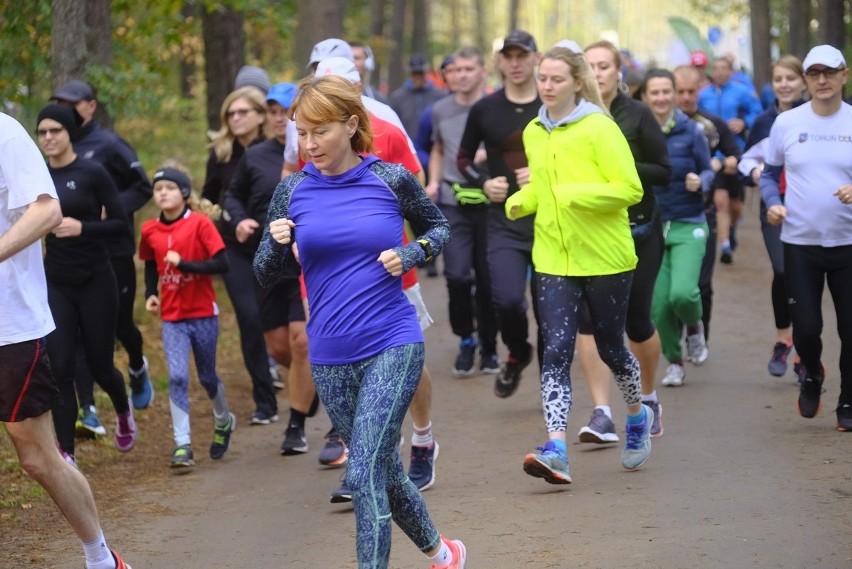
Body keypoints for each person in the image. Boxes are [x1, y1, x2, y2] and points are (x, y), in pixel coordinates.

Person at [254, 75, 464, 568]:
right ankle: (443, 553)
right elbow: (265, 273)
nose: (309, 144)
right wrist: (276, 242)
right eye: (300, 134)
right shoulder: (291, 191)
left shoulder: (391, 179)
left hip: (392, 339)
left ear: (350, 125)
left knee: (365, 467)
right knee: (385, 469)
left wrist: (412, 252)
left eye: (319, 131)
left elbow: (439, 227)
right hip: (328, 353)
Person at [506, 46, 653, 484]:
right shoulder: (534, 131)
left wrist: (576, 195)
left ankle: (637, 415)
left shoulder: (599, 129)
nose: (546, 87)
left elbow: (630, 188)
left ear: (576, 82)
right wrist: (520, 201)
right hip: (553, 257)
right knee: (554, 350)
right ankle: (555, 448)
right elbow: (541, 190)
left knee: (610, 347)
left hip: (606, 256)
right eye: (542, 79)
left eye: (555, 79)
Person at [1, 110, 133, 569]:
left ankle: (100, 555)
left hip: (10, 325)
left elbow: (47, 210)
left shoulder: (5, 133)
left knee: (37, 456)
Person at [306, 58, 441, 496]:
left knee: (408, 363)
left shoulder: (388, 126)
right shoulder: (309, 132)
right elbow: (295, 184)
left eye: (342, 87)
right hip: (331, 273)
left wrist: (407, 251)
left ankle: (421, 439)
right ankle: (367, 457)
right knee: (345, 362)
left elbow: (417, 191)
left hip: (389, 271)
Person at [575, 40, 670, 443]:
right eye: (591, 66)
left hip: (638, 231)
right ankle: (601, 412)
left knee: (635, 321)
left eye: (604, 66)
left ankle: (648, 397)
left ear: (619, 72)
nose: (598, 73)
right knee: (588, 321)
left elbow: (665, 171)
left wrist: (619, 167)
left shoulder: (637, 114)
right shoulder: (571, 118)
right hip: (590, 233)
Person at [50, 80, 153, 434]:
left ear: (90, 106)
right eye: (58, 103)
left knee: (120, 327)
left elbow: (143, 185)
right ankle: (88, 410)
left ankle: (137, 369)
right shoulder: (55, 150)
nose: (65, 110)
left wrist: (107, 213)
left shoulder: (109, 145)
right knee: (73, 339)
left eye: (72, 104)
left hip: (113, 252)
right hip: (68, 262)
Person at [35, 104, 137, 461]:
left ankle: (123, 410)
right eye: (42, 132)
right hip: (57, 283)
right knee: (60, 368)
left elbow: (121, 224)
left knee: (99, 366)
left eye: (55, 131)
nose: (48, 138)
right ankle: (67, 456)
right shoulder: (38, 177)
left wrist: (83, 227)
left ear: (69, 134)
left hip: (96, 278)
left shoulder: (93, 172)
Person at [759, 45, 852, 431]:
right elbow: (768, 175)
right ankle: (812, 372)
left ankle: (848, 399)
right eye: (814, 73)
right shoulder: (787, 124)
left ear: (844, 75)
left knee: (850, 328)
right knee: (807, 329)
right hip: (800, 243)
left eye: (829, 72)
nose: (822, 80)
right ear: (806, 80)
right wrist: (773, 204)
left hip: (847, 244)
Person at [456, 31, 544, 396]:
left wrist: (543, 175)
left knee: (551, 313)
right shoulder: (485, 109)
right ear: (500, 62)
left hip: (548, 222)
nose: (515, 62)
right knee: (506, 299)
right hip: (503, 221)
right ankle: (518, 353)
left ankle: (552, 389)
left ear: (536, 58)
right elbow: (462, 159)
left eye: (522, 55)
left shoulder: (551, 104)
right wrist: (483, 182)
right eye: (508, 56)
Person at [140, 166, 235, 468]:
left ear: (183, 192)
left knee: (207, 376)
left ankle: (223, 420)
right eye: (158, 189)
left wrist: (185, 264)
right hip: (173, 317)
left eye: (169, 187)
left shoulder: (201, 224)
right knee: (178, 377)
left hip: (203, 312)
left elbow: (222, 263)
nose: (163, 193)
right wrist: (150, 293)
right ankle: (182, 444)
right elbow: (151, 265)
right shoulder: (149, 230)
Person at [201, 86, 280, 427]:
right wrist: (226, 218)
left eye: (242, 112)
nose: (235, 119)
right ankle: (265, 401)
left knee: (277, 321)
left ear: (261, 115)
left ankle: (301, 373)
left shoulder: (278, 151)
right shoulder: (221, 155)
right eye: (230, 114)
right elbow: (205, 199)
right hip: (233, 247)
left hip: (274, 245)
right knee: (249, 318)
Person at [639, 69, 714, 387]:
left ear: (674, 94)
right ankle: (675, 362)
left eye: (665, 91)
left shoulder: (692, 131)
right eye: (654, 92)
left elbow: (709, 171)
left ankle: (695, 327)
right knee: (657, 305)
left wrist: (701, 182)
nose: (660, 98)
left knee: (682, 293)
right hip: (651, 227)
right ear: (645, 97)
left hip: (688, 223)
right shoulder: (637, 131)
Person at [426, 46, 499, 378]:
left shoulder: (496, 107)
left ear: (483, 71)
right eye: (457, 69)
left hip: (490, 203)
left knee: (487, 279)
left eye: (470, 68)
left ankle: (490, 345)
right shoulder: (440, 110)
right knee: (456, 275)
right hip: (453, 203)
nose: (462, 75)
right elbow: (439, 149)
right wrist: (433, 182)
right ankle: (466, 339)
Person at [739, 55, 808, 377]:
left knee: (806, 276)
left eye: (791, 79)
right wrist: (754, 171)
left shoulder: (817, 117)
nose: (784, 85)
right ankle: (783, 337)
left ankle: (806, 348)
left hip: (811, 208)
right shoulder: (764, 122)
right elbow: (745, 160)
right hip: (774, 207)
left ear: (804, 82)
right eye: (779, 79)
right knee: (783, 270)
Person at [673, 64, 742, 338]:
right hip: (666, 214)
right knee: (670, 287)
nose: (686, 97)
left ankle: (701, 335)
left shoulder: (712, 124)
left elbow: (737, 158)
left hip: (703, 212)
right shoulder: (656, 125)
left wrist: (717, 163)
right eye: (680, 91)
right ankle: (675, 339)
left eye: (691, 91)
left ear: (699, 91)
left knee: (701, 283)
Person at [697, 56, 762, 262]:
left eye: (723, 68)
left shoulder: (741, 92)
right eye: (715, 68)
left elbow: (757, 112)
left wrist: (743, 122)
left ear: (731, 71)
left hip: (736, 154)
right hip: (714, 156)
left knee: (735, 205)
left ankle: (732, 228)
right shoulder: (703, 94)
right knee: (720, 201)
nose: (719, 72)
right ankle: (724, 245)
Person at [390, 53, 448, 140]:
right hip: (406, 146)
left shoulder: (439, 95)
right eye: (414, 73)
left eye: (420, 73)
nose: (417, 76)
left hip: (431, 147)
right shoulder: (398, 97)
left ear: (426, 72)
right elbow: (393, 125)